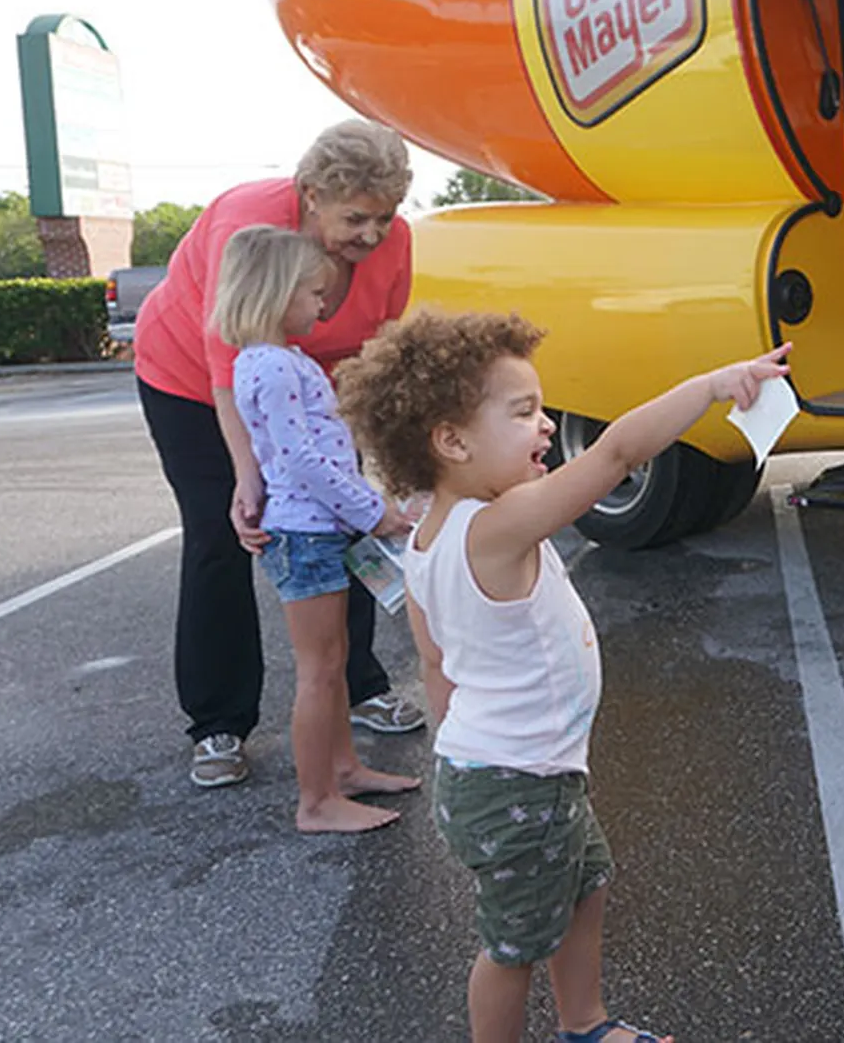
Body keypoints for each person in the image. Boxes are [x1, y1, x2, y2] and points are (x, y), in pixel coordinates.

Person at [336, 308, 789, 1043]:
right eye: (523, 412)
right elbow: (614, 456)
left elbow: (434, 661)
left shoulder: (431, 534)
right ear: (451, 441)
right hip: (516, 783)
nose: (547, 425)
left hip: (508, 773)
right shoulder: (495, 529)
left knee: (586, 886)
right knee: (511, 948)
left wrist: (464, 751)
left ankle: (586, 1024)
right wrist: (711, 385)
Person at [135, 119, 425, 790]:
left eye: (386, 217)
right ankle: (219, 722)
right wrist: (248, 476)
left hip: (313, 387)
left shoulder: (392, 244)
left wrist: (377, 464)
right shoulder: (247, 225)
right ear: (310, 194)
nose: (373, 235)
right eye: (356, 217)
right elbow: (227, 367)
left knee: (343, 520)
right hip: (198, 383)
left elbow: (377, 356)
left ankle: (359, 686)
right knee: (225, 531)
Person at [212, 225, 421, 832]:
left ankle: (344, 770)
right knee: (319, 669)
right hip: (304, 536)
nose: (323, 305)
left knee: (334, 661)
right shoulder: (273, 367)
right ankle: (316, 802)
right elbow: (304, 459)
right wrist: (373, 511)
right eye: (312, 294)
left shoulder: (280, 361)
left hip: (318, 530)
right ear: (276, 294)